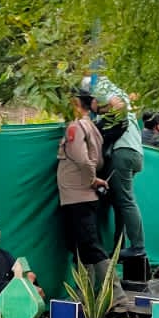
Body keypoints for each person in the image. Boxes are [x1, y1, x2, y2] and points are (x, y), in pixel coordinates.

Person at [82, 73, 148, 267]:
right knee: (120, 201)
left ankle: (138, 246)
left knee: (126, 201)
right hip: (135, 152)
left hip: (123, 152)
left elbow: (117, 104)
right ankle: (122, 246)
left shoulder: (101, 87)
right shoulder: (120, 92)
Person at [58, 89, 110, 292]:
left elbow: (83, 158)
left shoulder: (76, 126)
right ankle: (85, 294)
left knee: (90, 246)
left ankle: (116, 297)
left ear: (75, 103)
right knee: (80, 248)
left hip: (77, 195)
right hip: (77, 196)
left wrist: (91, 180)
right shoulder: (91, 126)